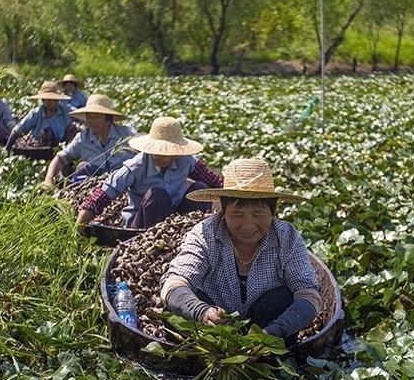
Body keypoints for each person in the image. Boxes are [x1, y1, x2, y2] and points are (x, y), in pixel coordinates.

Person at [159, 158, 323, 345]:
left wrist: (273, 333)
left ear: (273, 212)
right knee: (176, 308)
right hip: (211, 331)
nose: (248, 225)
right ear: (223, 211)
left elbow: (310, 295)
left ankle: (270, 352)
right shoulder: (206, 233)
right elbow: (173, 284)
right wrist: (201, 312)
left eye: (258, 214)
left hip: (267, 332)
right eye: (237, 214)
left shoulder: (287, 237)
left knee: (281, 299)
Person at [76, 116, 223, 230]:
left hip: (176, 219)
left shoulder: (185, 160)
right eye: (159, 152)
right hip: (142, 223)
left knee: (200, 188)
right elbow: (105, 193)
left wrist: (231, 198)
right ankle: (157, 241)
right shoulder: (136, 167)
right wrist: (81, 224)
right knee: (156, 195)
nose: (164, 157)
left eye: (170, 153)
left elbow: (212, 180)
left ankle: (193, 233)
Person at [42, 94, 137, 186]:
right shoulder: (83, 138)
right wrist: (49, 178)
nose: (91, 121)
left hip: (124, 182)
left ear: (108, 119)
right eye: (89, 117)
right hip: (93, 184)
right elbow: (61, 158)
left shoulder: (127, 134)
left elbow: (143, 155)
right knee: (83, 166)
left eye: (96, 117)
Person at [5, 81, 73, 151]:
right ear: (43, 100)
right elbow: (17, 130)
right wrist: (7, 150)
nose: (52, 103)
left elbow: (78, 116)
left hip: (61, 147)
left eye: (55, 100)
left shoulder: (65, 111)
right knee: (46, 133)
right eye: (49, 100)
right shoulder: (36, 114)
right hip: (40, 148)